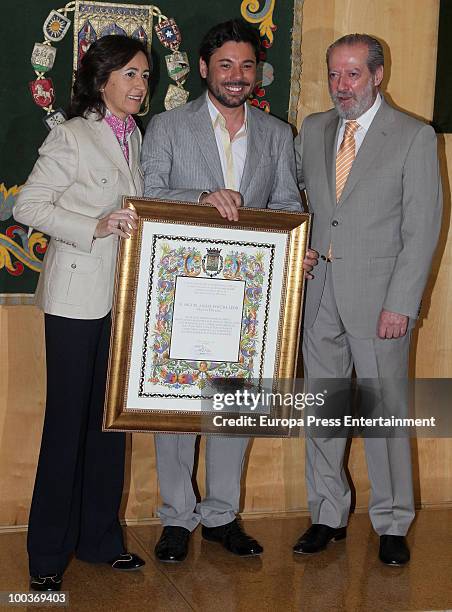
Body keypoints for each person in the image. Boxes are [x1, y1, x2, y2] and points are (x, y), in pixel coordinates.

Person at [141, 18, 317, 563]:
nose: (237, 76)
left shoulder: (277, 133)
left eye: (246, 66)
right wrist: (202, 195)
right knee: (174, 406)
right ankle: (175, 518)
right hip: (180, 291)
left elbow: (288, 204)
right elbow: (148, 192)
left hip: (248, 298)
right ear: (203, 69)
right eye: (226, 65)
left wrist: (294, 246)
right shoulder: (168, 127)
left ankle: (220, 516)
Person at [293, 34, 442, 565]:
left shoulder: (414, 136)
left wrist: (401, 302)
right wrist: (298, 255)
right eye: (334, 74)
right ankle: (327, 513)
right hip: (318, 293)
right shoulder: (312, 130)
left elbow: (423, 228)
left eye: (353, 74)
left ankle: (393, 521)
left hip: (381, 300)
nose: (341, 86)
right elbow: (301, 206)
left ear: (378, 74)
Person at [13, 35, 150, 591]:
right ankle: (46, 556)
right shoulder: (71, 136)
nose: (140, 85)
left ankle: (100, 540)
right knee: (66, 425)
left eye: (144, 75)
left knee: (108, 423)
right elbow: (28, 205)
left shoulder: (135, 135)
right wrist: (94, 225)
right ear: (101, 80)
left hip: (121, 299)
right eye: (130, 75)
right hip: (75, 300)